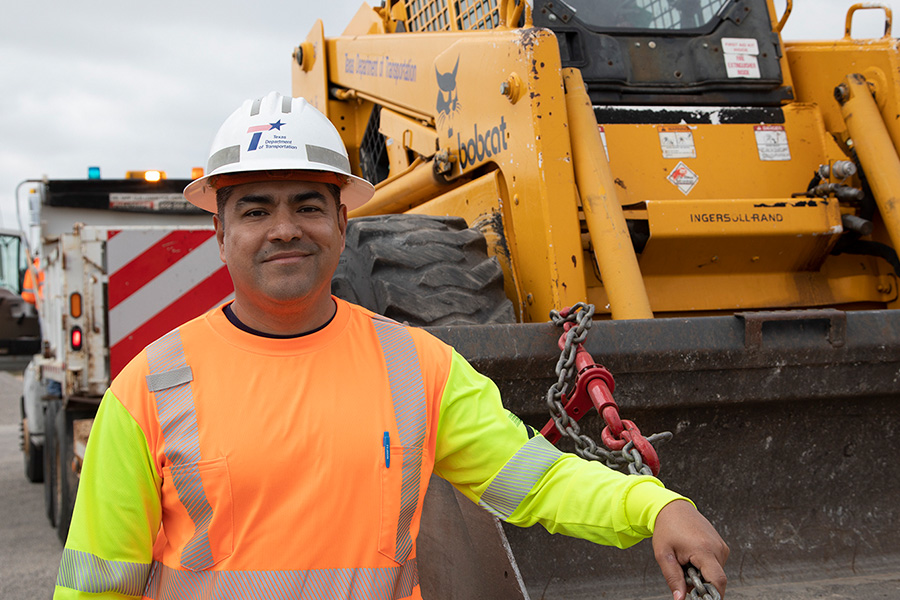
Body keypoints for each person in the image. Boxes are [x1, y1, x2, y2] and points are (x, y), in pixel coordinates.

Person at [54, 92, 727, 600]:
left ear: (343, 223)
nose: (284, 229)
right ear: (220, 234)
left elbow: (537, 481)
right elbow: (95, 582)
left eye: (307, 206)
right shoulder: (150, 388)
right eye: (256, 209)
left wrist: (655, 505)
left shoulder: (416, 366)